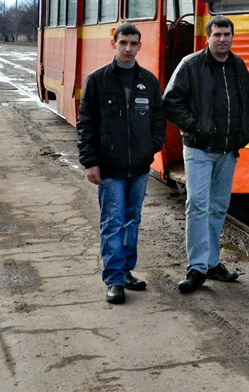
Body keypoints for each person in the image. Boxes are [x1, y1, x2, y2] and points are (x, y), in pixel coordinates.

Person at [76, 22, 166, 304]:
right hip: (110, 166)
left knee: (132, 221)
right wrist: (90, 162)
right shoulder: (98, 80)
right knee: (113, 222)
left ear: (140, 46)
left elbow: (158, 121)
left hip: (138, 167)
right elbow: (86, 123)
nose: (128, 48)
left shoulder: (149, 81)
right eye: (123, 42)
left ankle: (126, 271)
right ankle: (114, 280)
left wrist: (150, 149)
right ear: (112, 43)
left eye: (133, 43)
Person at [164, 15, 249, 293]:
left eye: (227, 34)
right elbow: (171, 100)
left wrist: (242, 136)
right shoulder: (191, 64)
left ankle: (212, 263)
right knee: (198, 205)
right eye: (217, 34)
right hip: (199, 150)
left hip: (228, 152)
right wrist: (196, 128)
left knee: (217, 208)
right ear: (208, 37)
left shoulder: (238, 66)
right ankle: (196, 267)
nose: (223, 39)